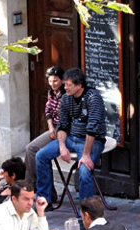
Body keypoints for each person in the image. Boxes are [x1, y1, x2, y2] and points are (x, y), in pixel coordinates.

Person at [35, 68, 107, 204]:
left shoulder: (93, 98)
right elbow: (62, 125)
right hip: (71, 138)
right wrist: (62, 146)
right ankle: (44, 200)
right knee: (41, 156)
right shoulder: (66, 98)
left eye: (68, 85)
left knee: (84, 170)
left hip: (91, 141)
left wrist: (86, 155)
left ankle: (86, 212)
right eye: (65, 84)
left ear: (79, 85)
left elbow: (93, 128)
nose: (65, 88)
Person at [25, 66, 65, 184]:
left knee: (38, 153)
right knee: (30, 149)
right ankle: (30, 183)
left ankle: (35, 186)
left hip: (63, 130)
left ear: (62, 80)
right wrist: (50, 126)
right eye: (50, 81)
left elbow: (65, 118)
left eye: (55, 81)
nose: (52, 83)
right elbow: (48, 110)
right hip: (54, 127)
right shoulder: (51, 92)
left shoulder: (66, 95)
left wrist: (56, 129)